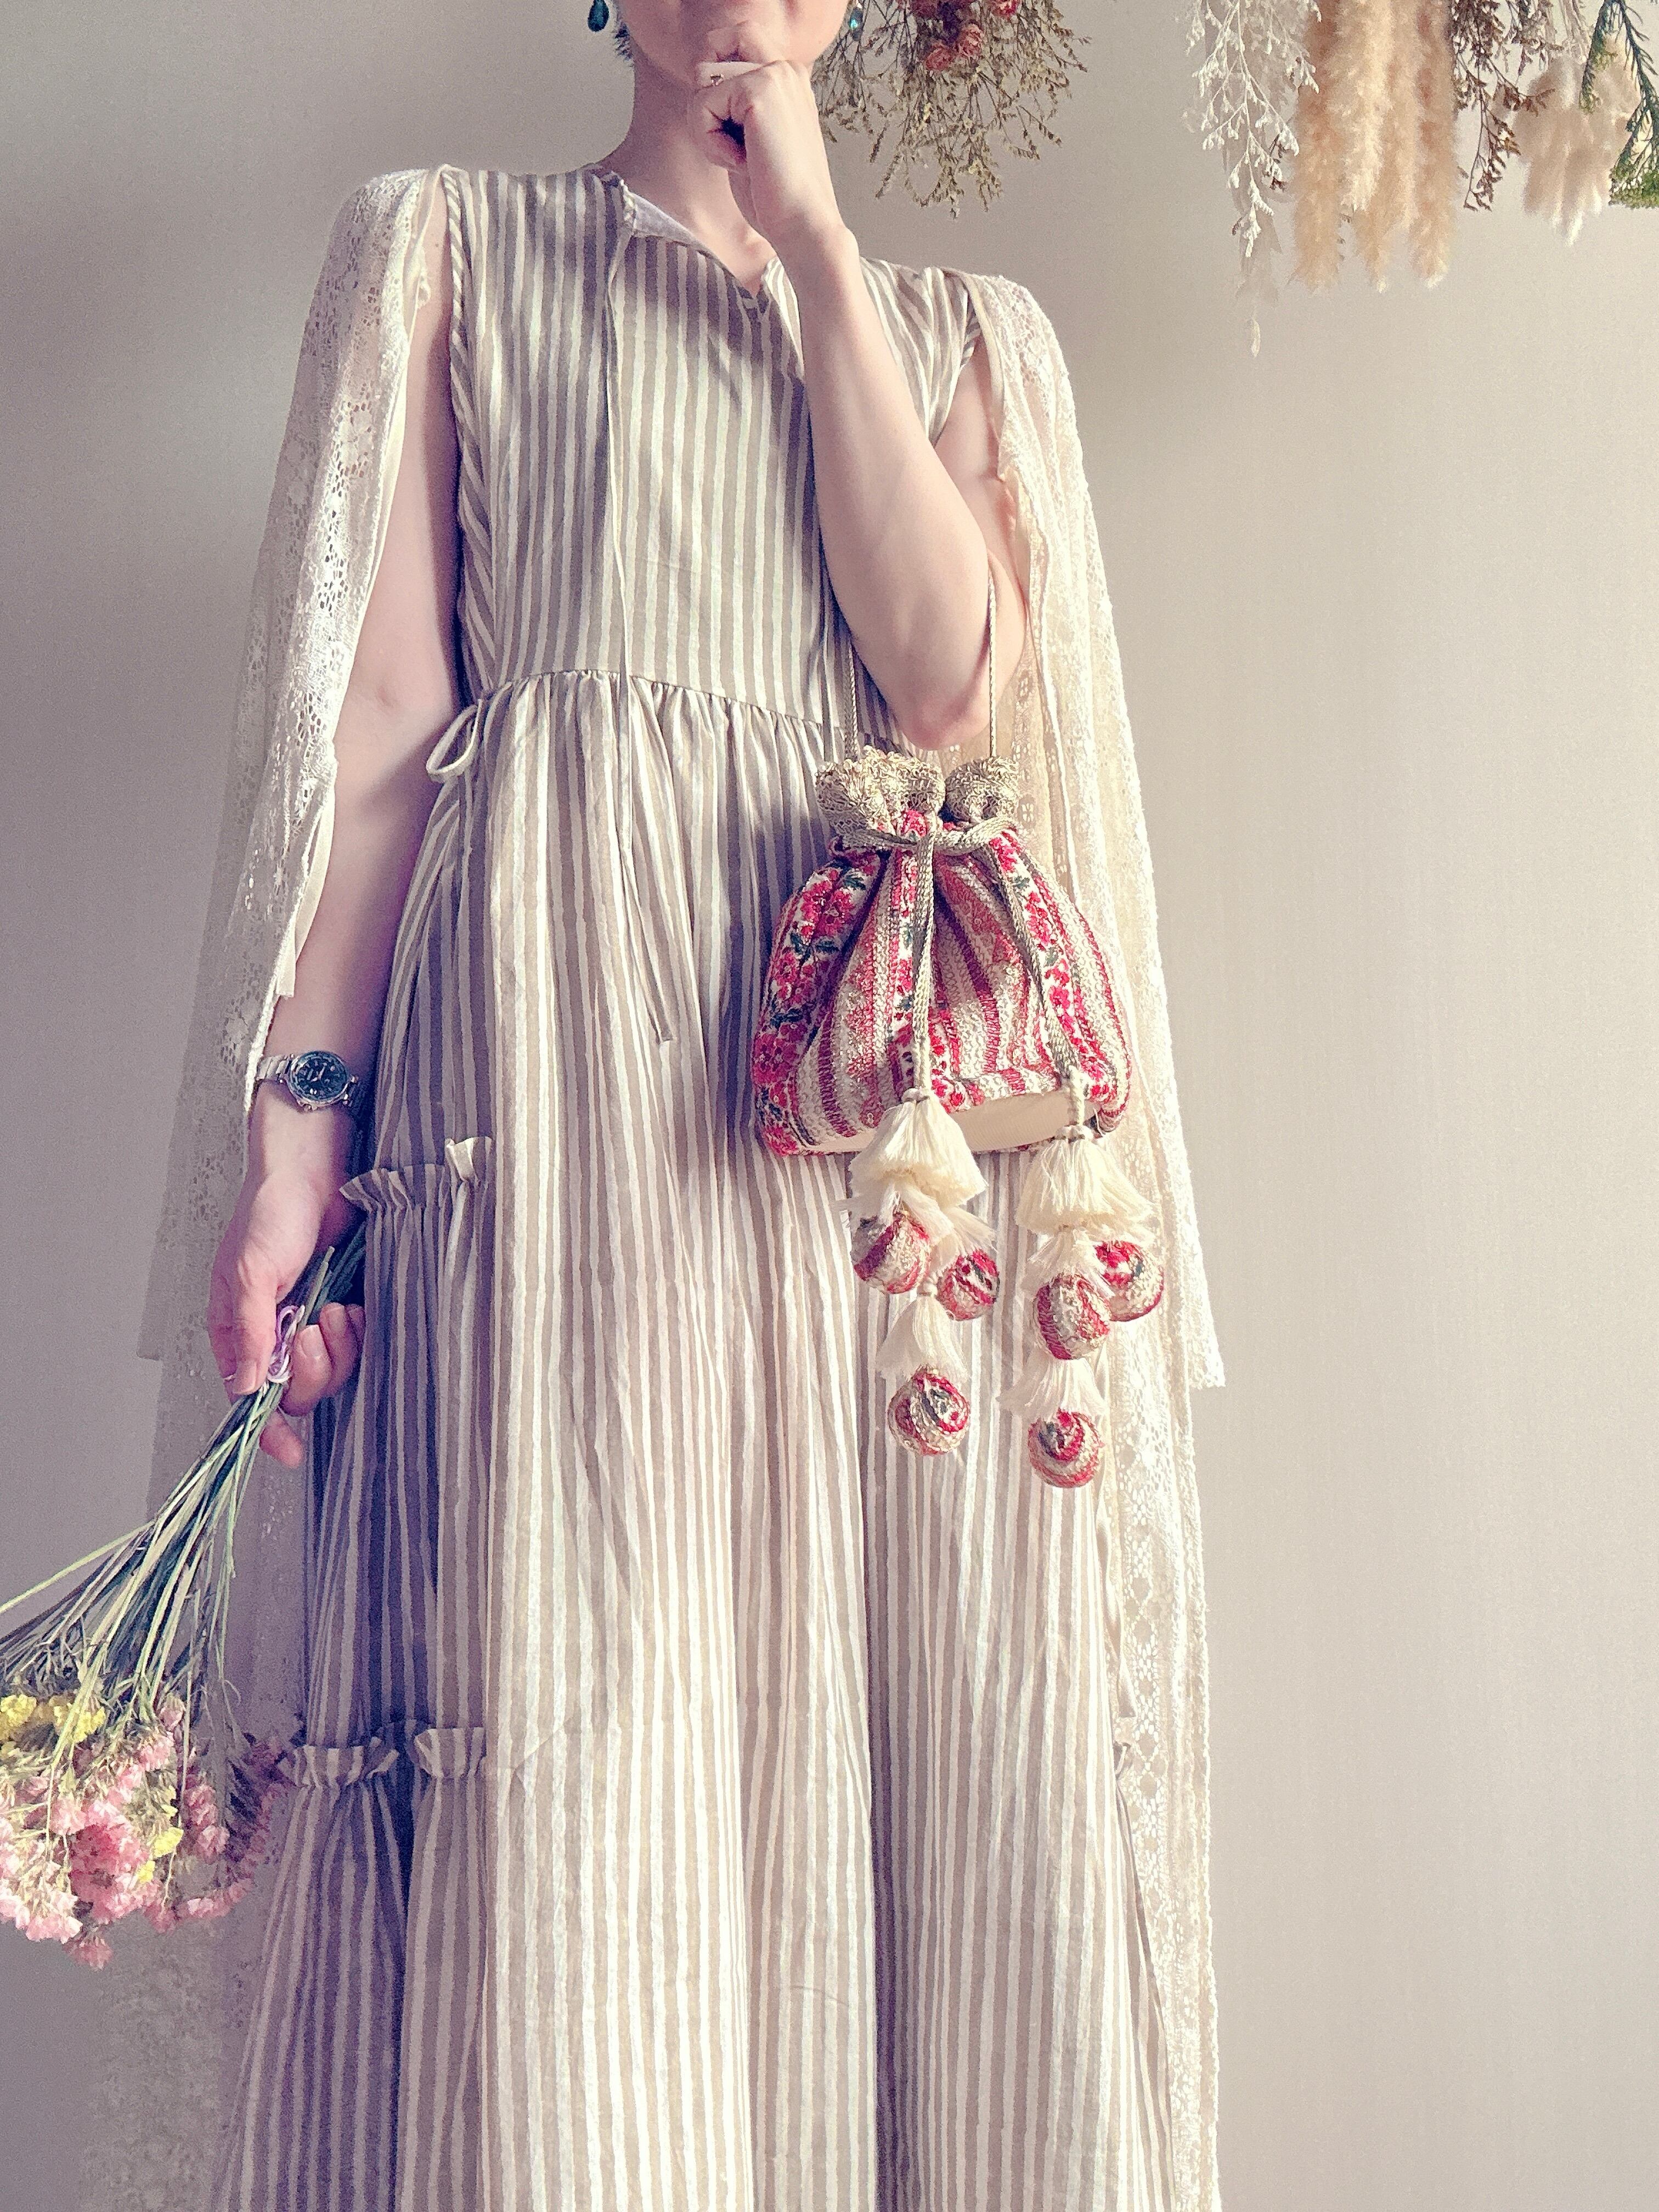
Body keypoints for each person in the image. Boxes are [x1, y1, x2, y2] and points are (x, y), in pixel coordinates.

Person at [105, 5, 1227, 2208]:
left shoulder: (962, 340)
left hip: (875, 1180)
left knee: (892, 1751)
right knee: (582, 1736)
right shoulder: (450, 251)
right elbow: (378, 742)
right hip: (560, 1125)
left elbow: (944, 686)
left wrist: (815, 248)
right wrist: (296, 1136)